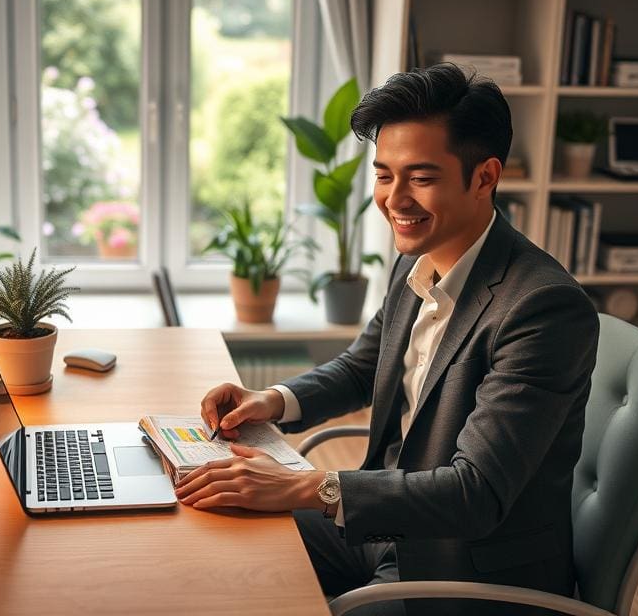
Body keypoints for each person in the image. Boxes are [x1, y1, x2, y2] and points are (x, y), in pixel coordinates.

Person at [175, 64, 599, 616]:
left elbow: (475, 493)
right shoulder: (418, 260)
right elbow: (361, 367)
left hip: (463, 571)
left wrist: (305, 487)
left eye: (420, 178)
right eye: (383, 175)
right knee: (211, 529)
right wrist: (271, 401)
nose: (394, 199)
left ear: (485, 176)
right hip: (387, 521)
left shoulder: (542, 308)